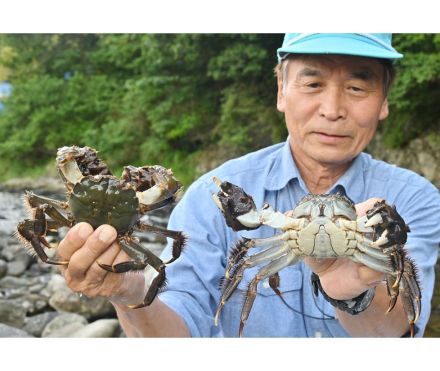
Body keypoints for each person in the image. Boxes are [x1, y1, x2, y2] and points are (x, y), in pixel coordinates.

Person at [57, 33, 440, 337]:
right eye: (312, 83)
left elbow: (403, 329)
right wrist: (128, 293)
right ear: (280, 91)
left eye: (357, 88)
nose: (332, 109)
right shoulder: (218, 195)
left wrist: (351, 291)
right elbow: (177, 332)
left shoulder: (410, 199)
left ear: (384, 101)